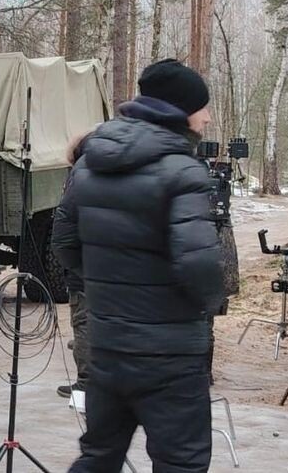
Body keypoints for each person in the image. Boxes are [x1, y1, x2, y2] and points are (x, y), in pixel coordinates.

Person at [53, 59, 224, 472]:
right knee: (180, 463)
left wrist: (102, 291)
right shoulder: (184, 170)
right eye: (203, 107)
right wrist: (208, 303)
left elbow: (63, 243)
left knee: (98, 457)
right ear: (180, 110)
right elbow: (199, 265)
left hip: (108, 346)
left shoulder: (90, 163)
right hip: (170, 354)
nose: (208, 116)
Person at [54, 133, 93, 399]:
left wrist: (74, 267)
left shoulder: (81, 173)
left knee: (85, 324)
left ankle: (88, 383)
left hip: (88, 268)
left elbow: (63, 235)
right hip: (125, 265)